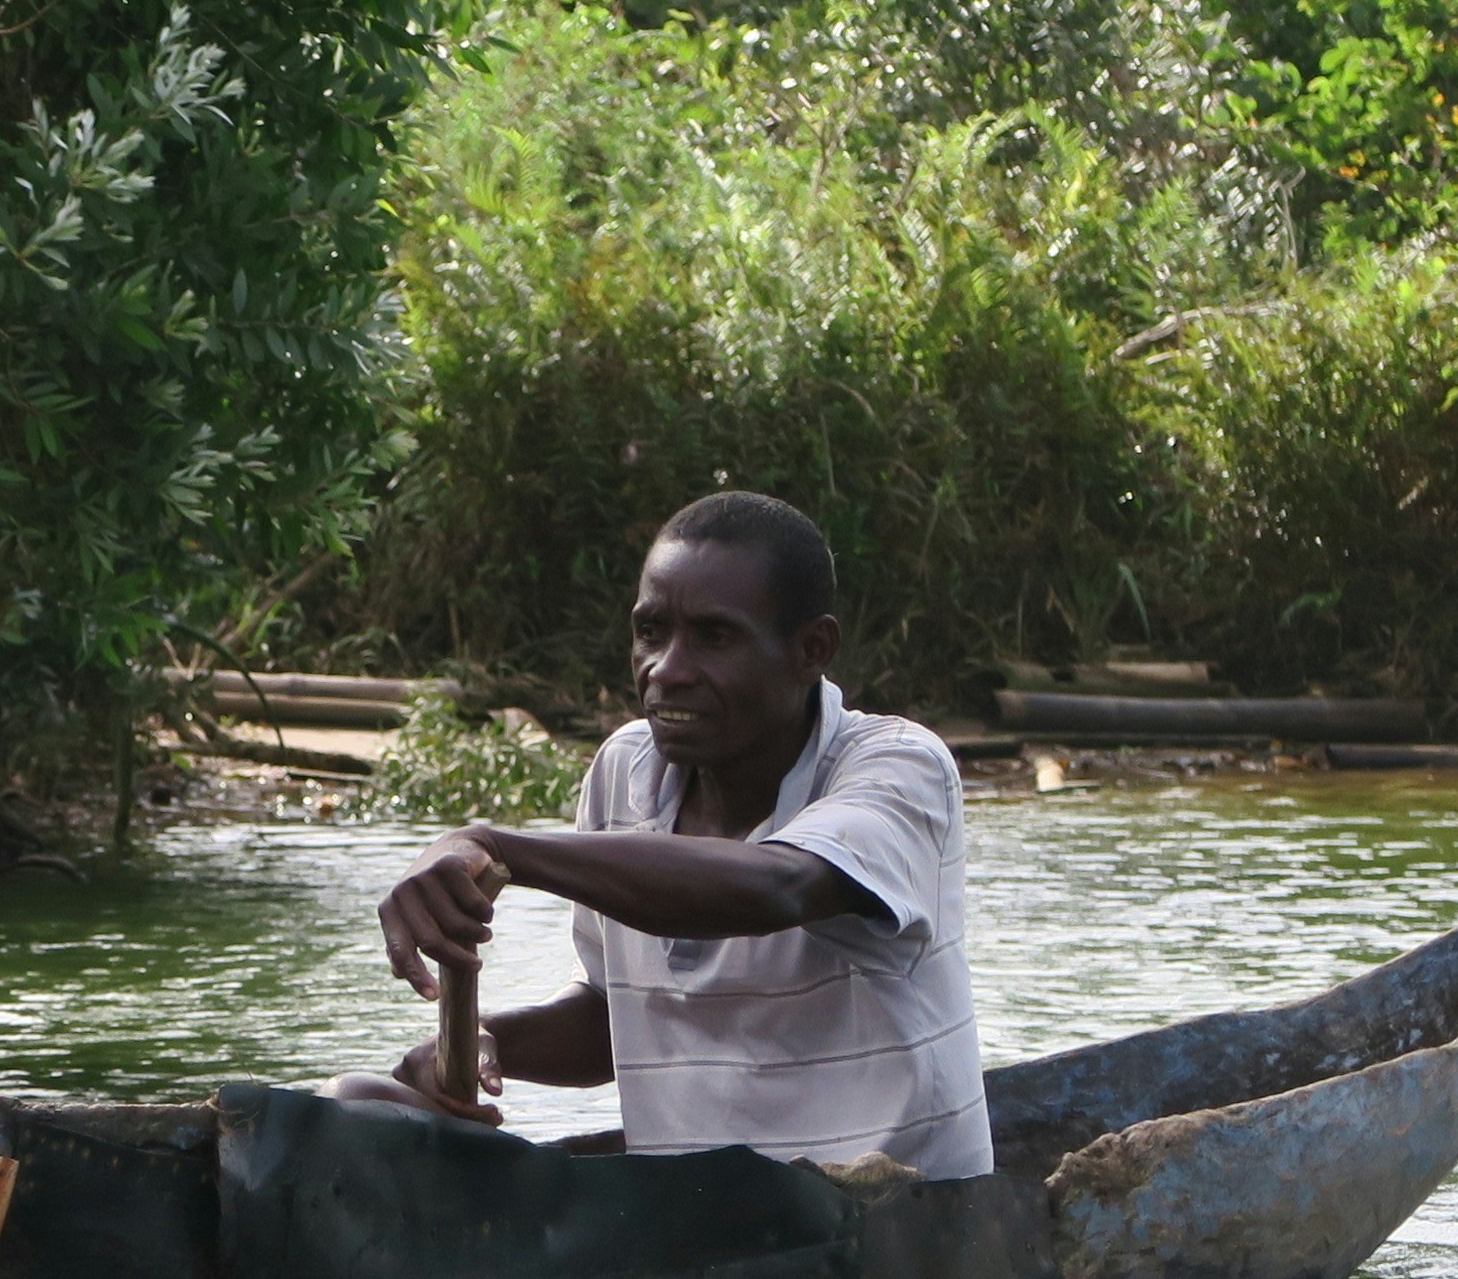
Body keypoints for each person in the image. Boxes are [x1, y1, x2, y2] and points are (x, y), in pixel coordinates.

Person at [352, 491, 990, 1180]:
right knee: (354, 1106)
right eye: (651, 633)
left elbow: (776, 887)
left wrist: (500, 847)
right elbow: (612, 1021)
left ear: (812, 650)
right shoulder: (625, 769)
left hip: (893, 1228)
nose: (666, 670)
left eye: (714, 637)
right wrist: (486, 1041)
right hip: (695, 1224)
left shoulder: (898, 767)